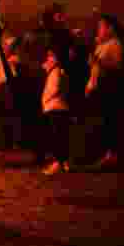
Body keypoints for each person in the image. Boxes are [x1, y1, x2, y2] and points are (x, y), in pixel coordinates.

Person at [86, 13, 124, 170]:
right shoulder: (101, 45)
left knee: (109, 122)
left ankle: (112, 156)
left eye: (101, 27)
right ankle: (102, 154)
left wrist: (96, 61)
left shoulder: (115, 45)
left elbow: (115, 68)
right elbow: (94, 69)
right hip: (97, 89)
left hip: (108, 90)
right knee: (101, 123)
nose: (99, 30)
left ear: (110, 28)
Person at [40, 46, 71, 175]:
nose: (48, 59)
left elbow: (53, 90)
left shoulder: (56, 72)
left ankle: (59, 163)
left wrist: (45, 100)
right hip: (56, 108)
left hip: (56, 108)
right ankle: (63, 163)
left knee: (57, 138)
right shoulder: (56, 72)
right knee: (60, 137)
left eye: (51, 56)